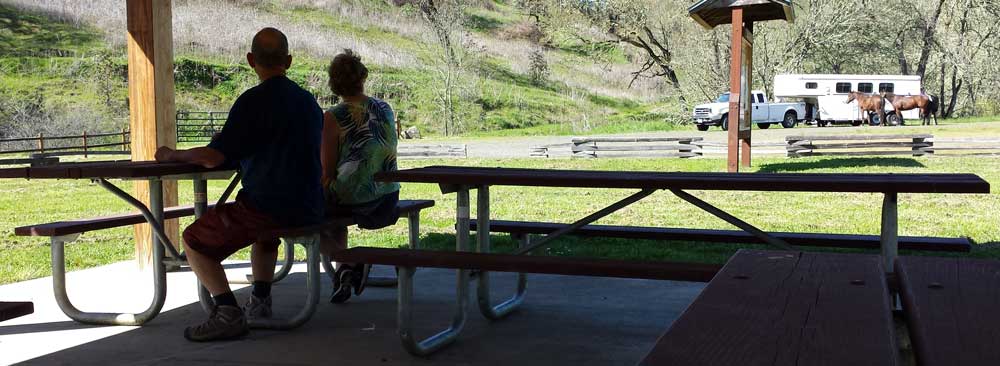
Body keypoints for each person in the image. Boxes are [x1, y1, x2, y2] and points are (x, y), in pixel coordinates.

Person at [155, 27, 324, 342]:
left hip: (269, 207)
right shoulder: (307, 102)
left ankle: (228, 312)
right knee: (265, 237)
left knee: (194, 241)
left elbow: (213, 156)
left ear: (250, 60)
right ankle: (259, 301)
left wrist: (170, 154)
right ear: (288, 61)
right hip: (310, 206)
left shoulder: (253, 102)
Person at [320, 49, 401, 304]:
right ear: (362, 77)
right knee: (333, 216)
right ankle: (344, 270)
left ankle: (349, 262)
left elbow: (327, 171)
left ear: (333, 83)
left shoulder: (334, 117)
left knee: (307, 220)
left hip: (356, 199)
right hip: (388, 197)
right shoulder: (385, 108)